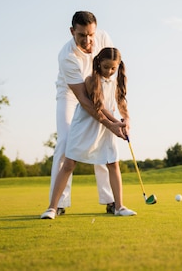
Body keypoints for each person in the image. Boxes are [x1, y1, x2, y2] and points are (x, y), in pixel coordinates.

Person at [40, 12, 127, 219]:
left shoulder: (104, 38)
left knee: (103, 139)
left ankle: (111, 201)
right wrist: (110, 123)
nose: (88, 41)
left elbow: (113, 77)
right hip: (71, 94)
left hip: (101, 89)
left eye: (91, 35)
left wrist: (121, 118)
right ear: (72, 32)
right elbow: (84, 99)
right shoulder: (67, 56)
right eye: (82, 36)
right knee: (64, 141)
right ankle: (58, 204)